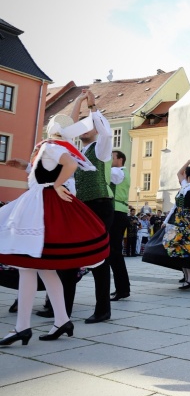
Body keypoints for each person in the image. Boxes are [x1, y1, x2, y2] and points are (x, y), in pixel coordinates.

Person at [0, 114, 109, 345]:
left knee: (28, 266)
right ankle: (61, 320)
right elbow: (52, 169)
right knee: (44, 269)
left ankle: (23, 327)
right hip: (41, 204)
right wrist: (29, 167)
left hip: (40, 206)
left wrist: (57, 185)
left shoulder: (50, 145)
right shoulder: (56, 147)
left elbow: (67, 166)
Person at [70, 89, 115, 324]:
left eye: (89, 125)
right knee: (79, 256)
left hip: (100, 205)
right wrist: (77, 100)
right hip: (84, 207)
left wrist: (92, 106)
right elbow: (66, 129)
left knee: (100, 258)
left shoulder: (101, 148)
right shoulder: (78, 152)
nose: (83, 128)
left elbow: (106, 132)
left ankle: (103, 309)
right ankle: (60, 306)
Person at [142, 156, 190, 287]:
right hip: (179, 220)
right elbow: (179, 176)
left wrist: (188, 209)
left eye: (186, 172)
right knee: (179, 247)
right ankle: (189, 278)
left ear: (189, 175)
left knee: (184, 247)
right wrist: (168, 220)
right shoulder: (186, 186)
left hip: (186, 221)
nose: (183, 174)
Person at [109, 150, 131, 301]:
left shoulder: (117, 171)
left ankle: (122, 289)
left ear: (120, 160)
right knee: (115, 252)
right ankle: (122, 287)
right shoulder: (122, 172)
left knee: (114, 252)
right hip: (119, 212)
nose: (109, 159)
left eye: (112, 157)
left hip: (116, 212)